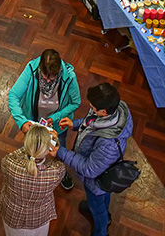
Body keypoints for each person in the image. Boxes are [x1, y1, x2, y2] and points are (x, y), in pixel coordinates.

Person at [56, 82, 132, 236]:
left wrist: (60, 152)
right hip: (100, 177)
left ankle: (101, 231)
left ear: (103, 111)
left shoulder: (108, 144)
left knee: (97, 207)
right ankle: (100, 212)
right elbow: (91, 123)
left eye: (93, 107)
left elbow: (88, 169)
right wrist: (74, 124)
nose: (90, 107)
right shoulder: (115, 109)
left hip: (97, 181)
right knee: (101, 200)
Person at [8, 49, 81, 190]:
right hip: (34, 122)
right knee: (33, 148)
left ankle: (62, 173)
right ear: (40, 67)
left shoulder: (70, 77)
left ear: (59, 70)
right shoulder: (31, 69)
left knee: (59, 150)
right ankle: (30, 169)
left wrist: (55, 117)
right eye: (44, 76)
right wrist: (22, 121)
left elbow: (75, 102)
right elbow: (13, 96)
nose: (47, 81)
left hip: (57, 126)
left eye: (51, 78)